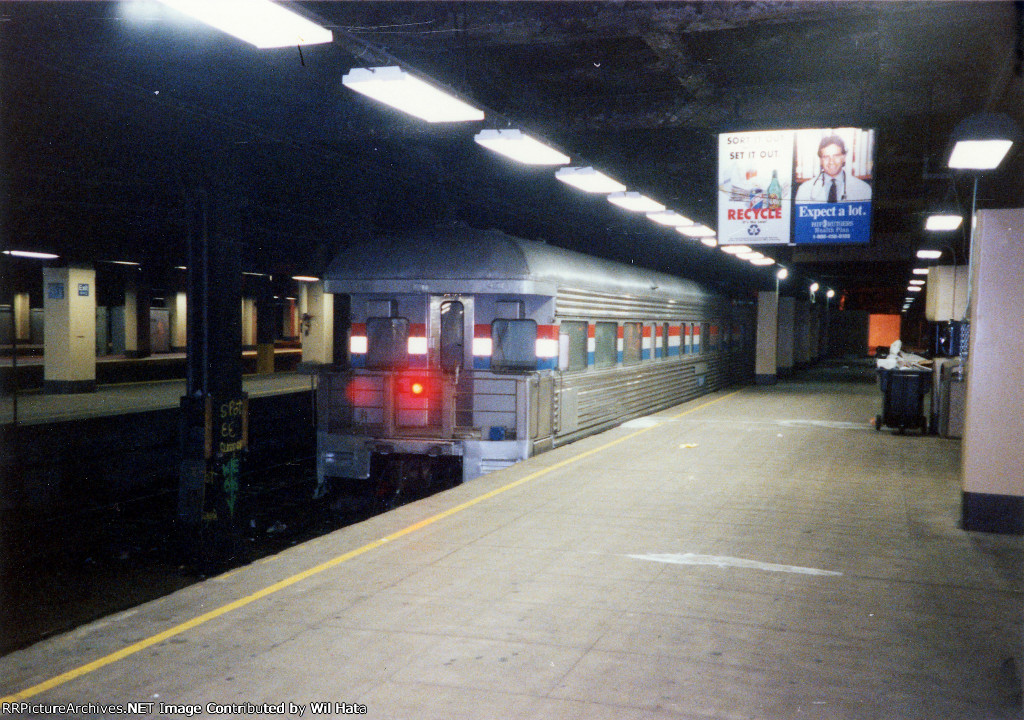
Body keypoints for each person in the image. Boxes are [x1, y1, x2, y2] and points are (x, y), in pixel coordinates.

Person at [795, 135, 872, 202]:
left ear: (844, 157)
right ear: (820, 160)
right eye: (826, 157)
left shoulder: (864, 189)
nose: (831, 161)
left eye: (836, 156)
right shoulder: (804, 190)